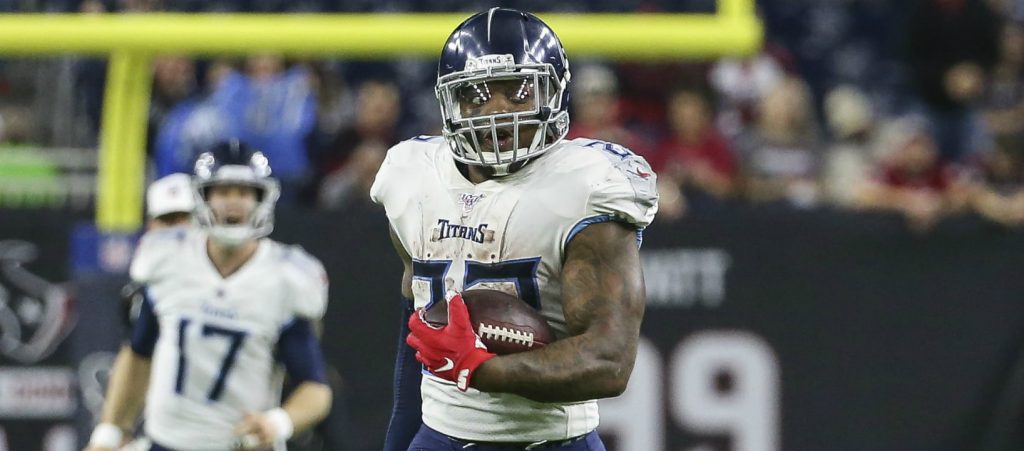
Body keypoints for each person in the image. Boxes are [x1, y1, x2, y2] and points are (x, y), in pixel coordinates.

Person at [371, 8, 658, 451]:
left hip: (550, 441)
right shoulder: (411, 175)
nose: (496, 111)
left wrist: (481, 369)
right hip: (439, 435)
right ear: (449, 102)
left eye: (519, 92)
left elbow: (609, 360)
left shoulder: (586, 187)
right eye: (476, 95)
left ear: (553, 93)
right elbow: (422, 326)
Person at [84, 140, 332, 451]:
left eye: (243, 192)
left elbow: (316, 389)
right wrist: (108, 433)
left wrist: (278, 422)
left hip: (237, 446)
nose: (233, 202)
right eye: (223, 191)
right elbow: (137, 355)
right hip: (165, 443)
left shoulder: (284, 278)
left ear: (261, 199)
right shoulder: (169, 258)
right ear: (203, 197)